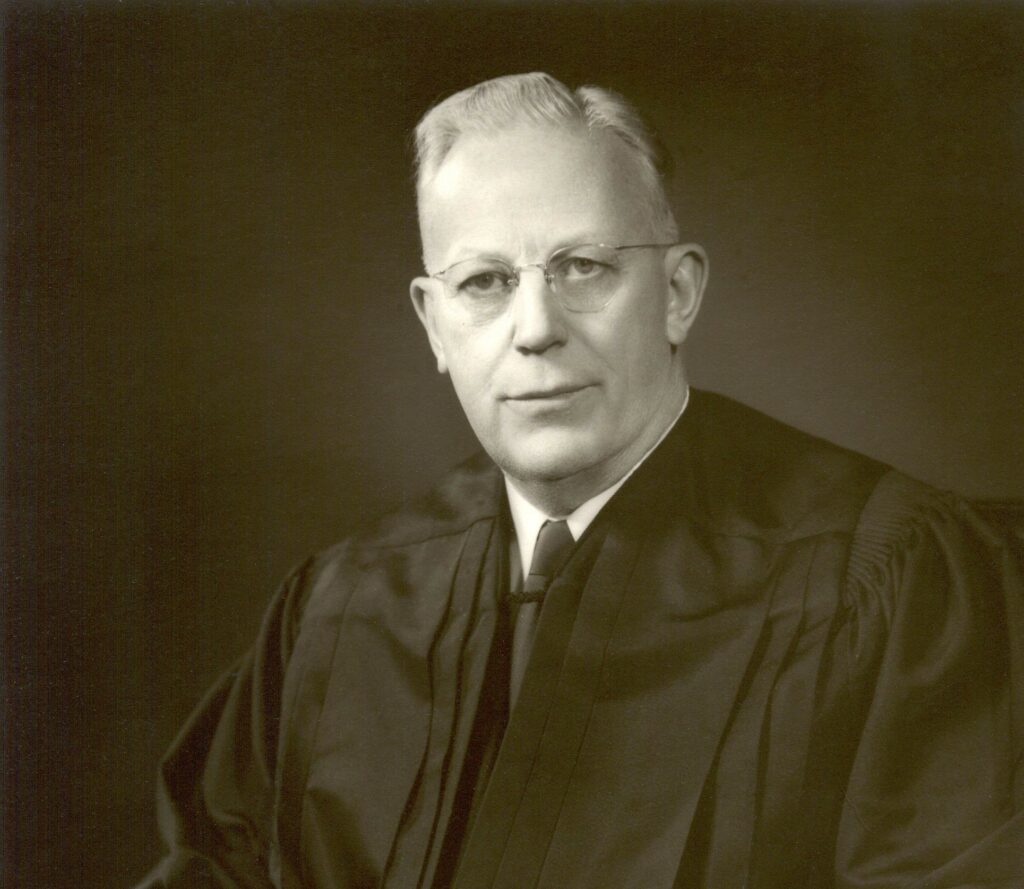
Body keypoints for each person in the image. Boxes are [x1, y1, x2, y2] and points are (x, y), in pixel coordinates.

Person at [138, 73, 1023, 889]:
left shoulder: (890, 575)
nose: (534, 328)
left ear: (678, 292)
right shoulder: (339, 607)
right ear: (434, 326)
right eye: (484, 281)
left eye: (583, 267)